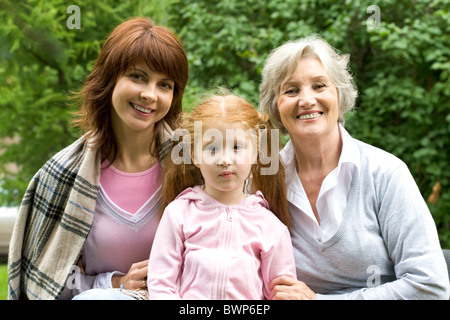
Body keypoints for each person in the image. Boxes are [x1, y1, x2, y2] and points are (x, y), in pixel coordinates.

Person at [7, 17, 189, 300]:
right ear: (110, 78)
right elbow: (46, 283)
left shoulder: (194, 168)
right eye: (137, 76)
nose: (149, 94)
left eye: (164, 84)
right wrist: (115, 284)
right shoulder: (61, 176)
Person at [259, 35, 450, 300]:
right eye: (291, 90)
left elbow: (431, 287)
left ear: (339, 93)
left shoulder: (385, 174)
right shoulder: (263, 180)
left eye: (319, 86)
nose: (306, 100)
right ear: (276, 106)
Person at [147, 93, 296, 299]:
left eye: (237, 147)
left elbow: (282, 292)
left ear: (255, 153)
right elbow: (161, 283)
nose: (225, 159)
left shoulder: (270, 227)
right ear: (194, 155)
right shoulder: (178, 214)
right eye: (212, 148)